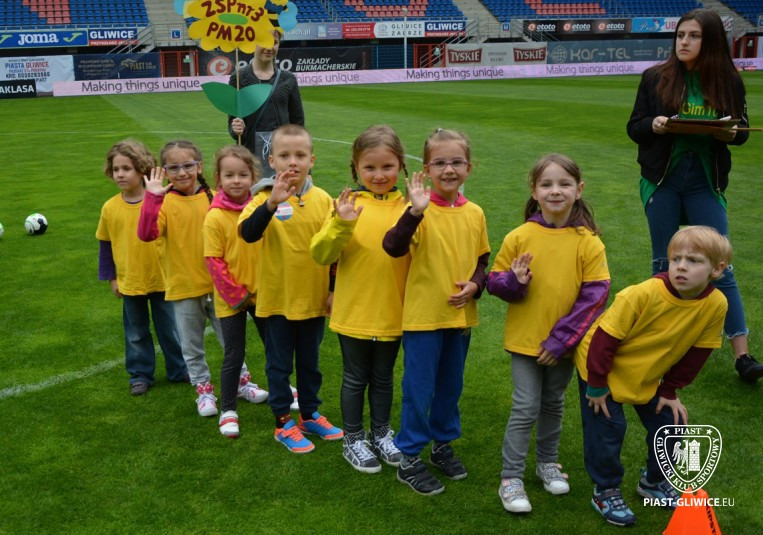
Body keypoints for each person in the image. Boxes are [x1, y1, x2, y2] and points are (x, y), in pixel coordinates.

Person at [626, 8, 762, 382]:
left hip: (705, 181)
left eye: (694, 36)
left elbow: (742, 131)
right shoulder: (655, 77)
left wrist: (730, 133)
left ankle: (743, 356)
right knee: (664, 264)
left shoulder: (729, 81)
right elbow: (634, 127)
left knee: (721, 264)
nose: (684, 42)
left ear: (712, 41)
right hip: (663, 181)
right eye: (681, 35)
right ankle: (660, 345)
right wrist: (653, 124)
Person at [574, 226, 731, 527]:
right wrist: (596, 385)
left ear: (717, 268)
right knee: (609, 427)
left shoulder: (716, 304)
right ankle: (605, 489)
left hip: (645, 373)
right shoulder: (643, 293)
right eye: (676, 259)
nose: (681, 266)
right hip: (600, 366)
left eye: (693, 261)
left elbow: (698, 352)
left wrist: (669, 391)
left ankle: (654, 482)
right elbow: (604, 339)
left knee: (672, 422)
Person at [487, 153, 610, 514]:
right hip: (526, 341)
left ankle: (547, 463)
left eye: (564, 184)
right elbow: (495, 282)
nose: (556, 191)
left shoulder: (588, 242)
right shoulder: (520, 235)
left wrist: (560, 342)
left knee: (553, 402)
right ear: (534, 190)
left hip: (564, 346)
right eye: (547, 184)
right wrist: (515, 281)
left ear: (579, 189)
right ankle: (510, 478)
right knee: (526, 405)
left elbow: (595, 295)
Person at [383, 128, 490, 495]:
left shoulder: (475, 212)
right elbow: (393, 246)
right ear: (426, 169)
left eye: (457, 162)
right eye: (440, 163)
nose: (449, 169)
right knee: (419, 389)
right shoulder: (419, 210)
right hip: (424, 318)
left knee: (450, 387)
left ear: (469, 168)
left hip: (460, 318)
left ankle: (442, 445)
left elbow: (482, 259)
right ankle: (409, 457)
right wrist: (415, 211)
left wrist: (476, 284)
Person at [138, 140, 265, 417]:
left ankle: (242, 383)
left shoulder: (214, 197)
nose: (182, 172)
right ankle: (204, 391)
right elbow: (147, 234)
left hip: (221, 287)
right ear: (165, 171)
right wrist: (152, 198)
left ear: (199, 167)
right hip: (184, 287)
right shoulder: (163, 202)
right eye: (174, 168)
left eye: (187, 165)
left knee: (231, 343)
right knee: (192, 346)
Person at [310, 125, 410, 473]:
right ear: (356, 168)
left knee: (383, 376)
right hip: (354, 308)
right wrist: (341, 223)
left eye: (387, 166)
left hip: (393, 308)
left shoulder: (409, 206)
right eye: (370, 167)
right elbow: (321, 254)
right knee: (355, 377)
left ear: (400, 165)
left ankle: (381, 433)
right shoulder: (346, 205)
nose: (379, 175)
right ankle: (353, 438)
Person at [238, 124, 342, 453]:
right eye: (284, 155)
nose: (292, 162)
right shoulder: (261, 198)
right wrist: (271, 204)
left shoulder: (323, 199)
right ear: (271, 160)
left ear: (312, 160)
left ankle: (310, 414)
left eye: (300, 155)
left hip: (313, 299)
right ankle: (283, 422)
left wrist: (333, 290)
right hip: (277, 300)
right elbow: (247, 234)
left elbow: (336, 250)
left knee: (310, 363)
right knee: (279, 365)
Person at [96, 140, 186, 396]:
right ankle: (140, 374)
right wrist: (111, 278)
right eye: (116, 169)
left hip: (163, 278)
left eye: (127, 168)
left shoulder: (159, 201)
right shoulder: (110, 207)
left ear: (142, 170)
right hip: (130, 280)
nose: (120, 174)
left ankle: (179, 369)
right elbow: (105, 243)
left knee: (170, 329)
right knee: (136, 332)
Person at [202, 145, 269, 439]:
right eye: (229, 175)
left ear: (253, 176)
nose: (237, 180)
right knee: (234, 353)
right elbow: (213, 260)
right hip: (232, 299)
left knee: (274, 349)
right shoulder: (215, 216)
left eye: (243, 174)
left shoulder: (261, 208)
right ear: (218, 178)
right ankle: (228, 409)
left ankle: (282, 391)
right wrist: (236, 294)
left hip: (264, 293)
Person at [228, 30, 305, 178]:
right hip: (250, 157)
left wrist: (306, 171)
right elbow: (233, 121)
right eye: (264, 42)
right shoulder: (238, 78)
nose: (270, 47)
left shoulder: (288, 79)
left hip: (282, 156)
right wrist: (236, 129)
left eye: (274, 42)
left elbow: (298, 124)